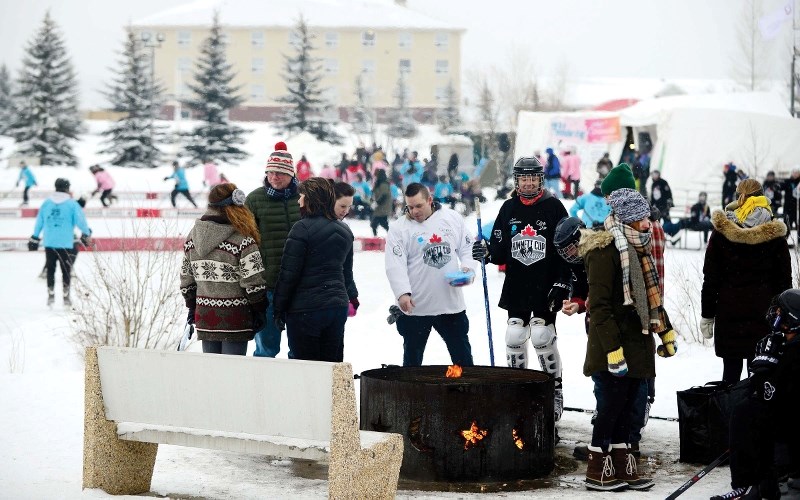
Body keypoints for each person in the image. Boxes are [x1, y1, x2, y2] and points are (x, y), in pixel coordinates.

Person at [581, 188, 677, 492]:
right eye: (643, 218)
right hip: (613, 345)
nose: (648, 223)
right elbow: (599, 307)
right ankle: (598, 469)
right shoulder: (604, 250)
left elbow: (651, 297)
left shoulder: (638, 248)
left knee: (629, 408)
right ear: (629, 219)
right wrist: (612, 350)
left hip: (638, 344)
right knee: (609, 407)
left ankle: (623, 464)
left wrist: (666, 330)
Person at [471, 156, 570, 420]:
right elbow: (501, 252)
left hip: (545, 286)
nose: (527, 183)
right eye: (523, 178)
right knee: (514, 336)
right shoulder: (508, 209)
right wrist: (487, 251)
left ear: (540, 179)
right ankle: (518, 388)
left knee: (541, 336)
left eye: (532, 178)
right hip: (517, 285)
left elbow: (565, 250)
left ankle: (554, 390)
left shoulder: (554, 207)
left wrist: (562, 284)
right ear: (516, 180)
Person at [712, 289, 800, 500]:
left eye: (779, 311)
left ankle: (751, 485)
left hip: (792, 427)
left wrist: (764, 369)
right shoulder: (790, 345)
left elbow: (771, 399)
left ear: (788, 320)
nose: (774, 314)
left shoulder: (794, 352)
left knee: (746, 412)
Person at [701, 178, 791, 384]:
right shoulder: (775, 235)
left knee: (730, 378)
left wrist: (707, 315)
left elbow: (711, 279)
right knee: (759, 378)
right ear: (762, 197)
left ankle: (729, 414)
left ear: (737, 197)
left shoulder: (721, 233)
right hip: (763, 317)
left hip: (729, 315)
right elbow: (785, 283)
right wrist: (783, 319)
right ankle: (754, 415)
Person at [385, 182, 476, 367]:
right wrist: (402, 293)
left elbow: (468, 247)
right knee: (412, 361)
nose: (414, 211)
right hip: (416, 307)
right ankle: (411, 394)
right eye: (410, 207)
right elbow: (395, 264)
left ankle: (467, 392)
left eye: (419, 206)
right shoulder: (399, 228)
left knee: (462, 358)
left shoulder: (451, 218)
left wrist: (467, 268)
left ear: (430, 200)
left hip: (450, 305)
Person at [272, 178, 358, 362]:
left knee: (307, 369)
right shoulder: (345, 231)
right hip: (337, 306)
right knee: (331, 366)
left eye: (301, 196)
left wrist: (278, 308)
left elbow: (289, 275)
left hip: (306, 309)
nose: (298, 201)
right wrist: (352, 296)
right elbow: (346, 273)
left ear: (311, 199)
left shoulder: (301, 229)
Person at [179, 183, 268, 356]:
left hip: (205, 315)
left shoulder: (192, 237)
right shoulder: (243, 240)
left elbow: (186, 279)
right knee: (233, 373)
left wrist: (192, 306)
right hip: (236, 316)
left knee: (213, 374)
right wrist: (259, 309)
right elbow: (253, 283)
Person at [245, 141, 302, 358]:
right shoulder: (255, 199)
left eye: (280, 173)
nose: (274, 177)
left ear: (291, 175)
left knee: (300, 347)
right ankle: (262, 388)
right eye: (270, 172)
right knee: (266, 347)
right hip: (268, 283)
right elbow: (245, 240)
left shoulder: (303, 197)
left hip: (299, 285)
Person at [28, 178, 92, 307]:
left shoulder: (46, 203)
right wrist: (87, 232)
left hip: (49, 242)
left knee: (51, 269)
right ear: (67, 188)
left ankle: (51, 294)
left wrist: (35, 236)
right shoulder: (72, 204)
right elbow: (81, 221)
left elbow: (39, 221)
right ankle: (66, 296)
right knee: (66, 270)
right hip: (65, 242)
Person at [370, 169, 392, 236]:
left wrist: (377, 203)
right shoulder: (379, 183)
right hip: (379, 207)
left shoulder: (384, 184)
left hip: (383, 207)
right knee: (381, 223)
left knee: (377, 223)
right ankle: (376, 236)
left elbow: (384, 196)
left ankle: (376, 237)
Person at [782, 168, 800, 233]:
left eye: (797, 172)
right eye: (794, 172)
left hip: (797, 209)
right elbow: (780, 187)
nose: (795, 174)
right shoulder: (787, 181)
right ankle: (784, 242)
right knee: (786, 228)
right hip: (788, 208)